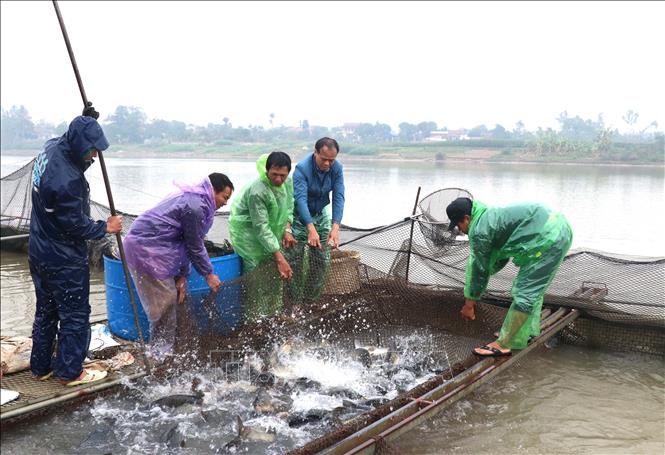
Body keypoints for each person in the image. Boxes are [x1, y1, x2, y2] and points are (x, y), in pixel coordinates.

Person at [29, 115, 123, 386]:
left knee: (46, 311)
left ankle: (41, 366)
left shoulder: (51, 147)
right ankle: (70, 372)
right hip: (63, 257)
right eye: (92, 150)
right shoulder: (67, 181)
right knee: (75, 315)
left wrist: (87, 119)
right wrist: (105, 227)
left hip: (39, 250)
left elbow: (71, 136)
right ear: (80, 145)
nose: (94, 155)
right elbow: (74, 225)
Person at [123, 173, 234, 361]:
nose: (225, 203)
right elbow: (194, 245)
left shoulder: (199, 202)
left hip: (162, 251)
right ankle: (159, 355)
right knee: (163, 302)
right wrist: (208, 274)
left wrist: (183, 276)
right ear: (213, 191)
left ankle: (165, 350)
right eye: (224, 197)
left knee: (172, 297)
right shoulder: (196, 207)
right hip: (146, 249)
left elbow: (184, 243)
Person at [447, 196, 573, 356]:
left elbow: (480, 271)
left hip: (548, 237)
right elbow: (501, 256)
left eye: (458, 226)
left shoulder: (479, 232)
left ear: (466, 218)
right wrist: (485, 272)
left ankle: (504, 343)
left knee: (525, 292)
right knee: (533, 289)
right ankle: (522, 332)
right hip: (556, 228)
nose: (461, 231)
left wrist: (469, 304)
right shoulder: (487, 216)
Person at [228, 151, 295, 323]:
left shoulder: (287, 183)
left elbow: (289, 207)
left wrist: (287, 229)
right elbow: (261, 228)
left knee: (275, 276)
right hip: (249, 235)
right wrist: (280, 257)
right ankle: (254, 321)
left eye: (282, 175)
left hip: (272, 232)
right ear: (266, 171)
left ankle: (274, 315)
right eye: (274, 175)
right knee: (256, 280)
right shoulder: (258, 191)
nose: (278, 179)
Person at [287, 137, 345, 304]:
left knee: (321, 259)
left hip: (320, 213)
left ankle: (311, 299)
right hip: (300, 216)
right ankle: (294, 302)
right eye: (324, 159)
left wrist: (335, 227)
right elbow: (300, 200)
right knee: (295, 259)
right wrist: (310, 229)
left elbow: (339, 197)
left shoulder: (337, 168)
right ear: (316, 153)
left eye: (331, 160)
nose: (327, 164)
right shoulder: (302, 169)